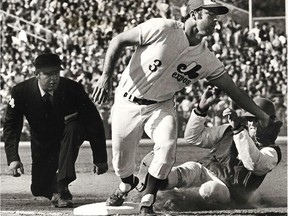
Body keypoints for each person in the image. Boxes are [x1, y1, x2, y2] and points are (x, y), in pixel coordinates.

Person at [92, 0, 270, 213]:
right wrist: (105, 76)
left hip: (160, 106)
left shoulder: (207, 58)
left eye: (217, 16)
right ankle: (125, 184)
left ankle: (147, 200)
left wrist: (260, 113)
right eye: (211, 15)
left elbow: (234, 91)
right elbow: (118, 40)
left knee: (167, 147)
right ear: (195, 14)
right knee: (121, 164)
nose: (216, 21)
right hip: (127, 101)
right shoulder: (163, 28)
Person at [138, 86, 282, 208]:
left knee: (211, 190)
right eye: (250, 119)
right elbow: (194, 137)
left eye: (257, 119)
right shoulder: (230, 130)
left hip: (229, 190)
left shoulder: (271, 151)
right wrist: (202, 108)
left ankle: (177, 198)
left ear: (270, 121)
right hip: (204, 169)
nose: (252, 123)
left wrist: (238, 130)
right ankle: (152, 183)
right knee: (183, 171)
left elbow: (253, 163)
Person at [3, 53, 108, 208]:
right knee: (38, 188)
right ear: (36, 74)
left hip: (68, 135)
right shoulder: (20, 92)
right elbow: (11, 125)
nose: (53, 78)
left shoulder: (73, 88)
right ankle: (54, 188)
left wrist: (100, 158)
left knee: (74, 127)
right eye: (48, 74)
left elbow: (93, 121)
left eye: (56, 73)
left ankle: (62, 186)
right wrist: (13, 158)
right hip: (41, 141)